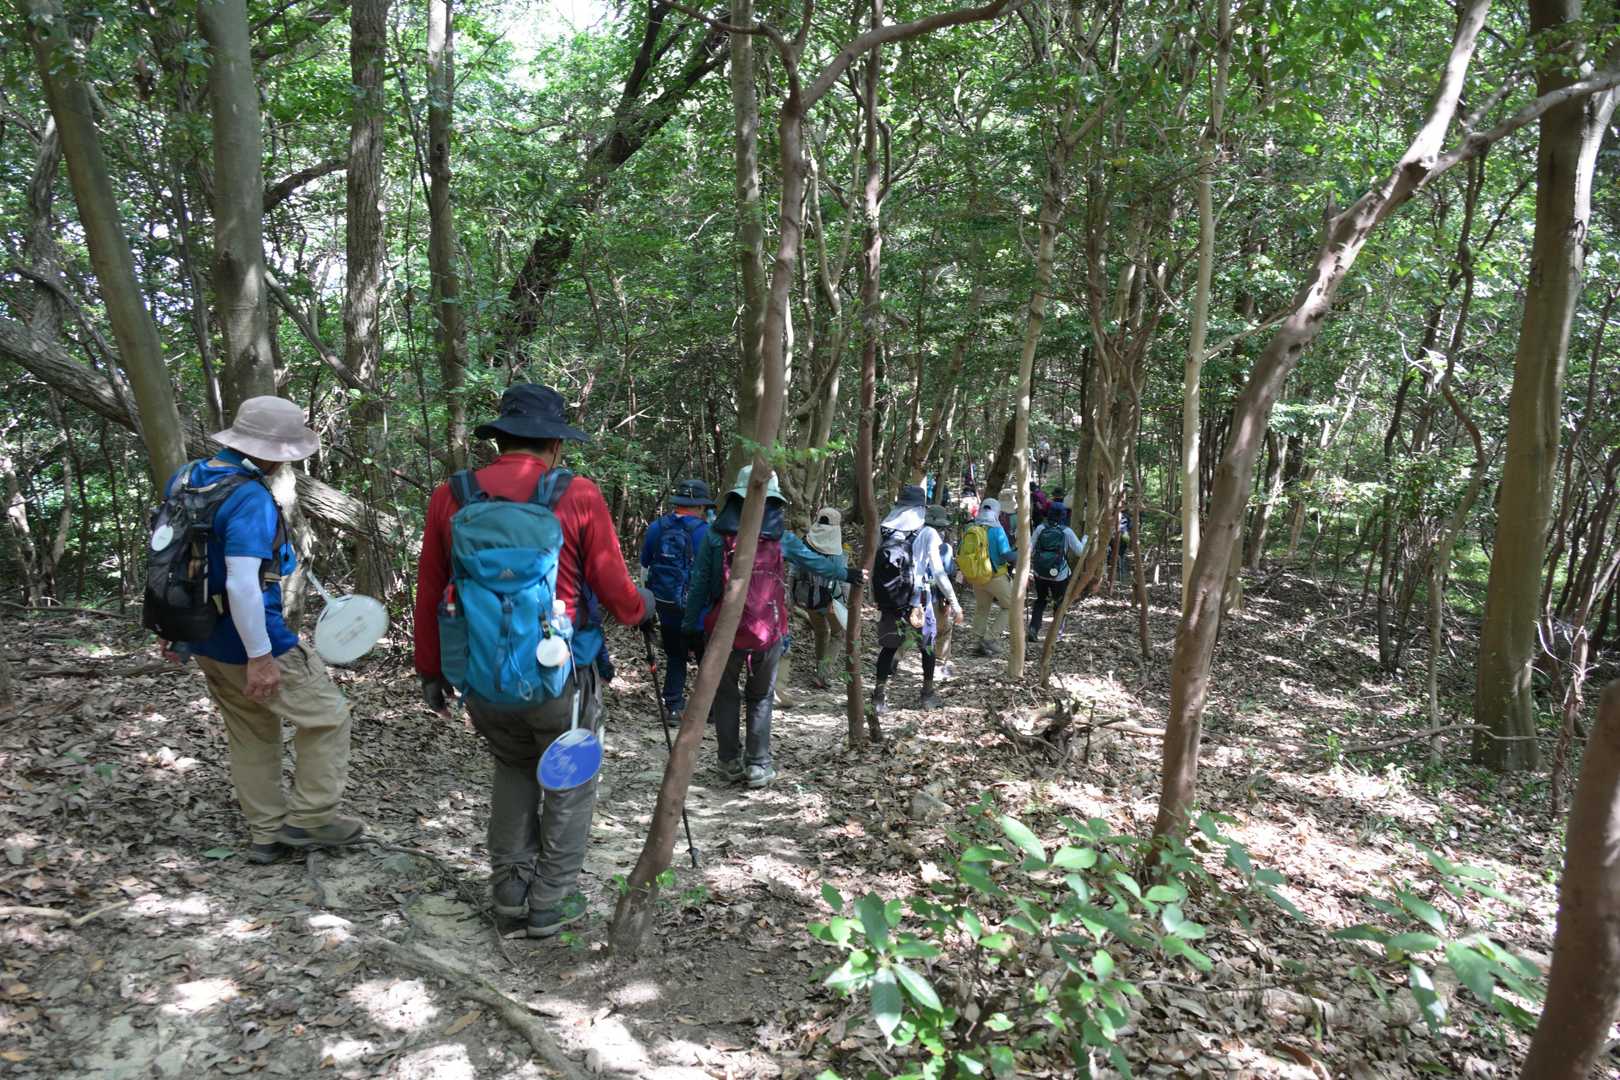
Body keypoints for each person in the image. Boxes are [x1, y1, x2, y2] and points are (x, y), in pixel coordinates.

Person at [413, 384, 653, 938]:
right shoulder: (578, 494)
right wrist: (644, 609)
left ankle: (509, 892)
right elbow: (618, 594)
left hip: (481, 676)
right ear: (556, 444)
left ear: (500, 439)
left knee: (513, 767)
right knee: (569, 779)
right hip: (560, 675)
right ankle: (550, 901)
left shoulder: (452, 496)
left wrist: (430, 670)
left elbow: (430, 592)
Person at [153, 396, 363, 864]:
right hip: (252, 638)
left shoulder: (186, 477)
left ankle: (266, 835)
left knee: (252, 731)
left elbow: (170, 557)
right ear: (273, 451)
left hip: (203, 634)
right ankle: (312, 819)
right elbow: (242, 583)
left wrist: (172, 626)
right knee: (328, 717)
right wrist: (261, 657)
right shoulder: (247, 497)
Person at [683, 466, 855, 788]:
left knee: (725, 695)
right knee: (761, 696)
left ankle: (728, 761)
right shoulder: (781, 539)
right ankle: (758, 764)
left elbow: (700, 585)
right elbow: (815, 562)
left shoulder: (715, 536)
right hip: (768, 630)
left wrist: (690, 626)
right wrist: (847, 574)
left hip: (723, 631)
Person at [872, 485, 963, 714]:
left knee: (888, 648)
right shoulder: (928, 532)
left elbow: (875, 566)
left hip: (892, 599)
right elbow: (939, 573)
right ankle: (927, 694)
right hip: (919, 601)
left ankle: (878, 697)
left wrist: (878, 598)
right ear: (922, 508)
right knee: (927, 648)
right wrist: (954, 603)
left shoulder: (885, 529)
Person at [640, 479, 715, 727]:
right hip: (700, 610)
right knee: (706, 659)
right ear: (701, 506)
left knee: (675, 657)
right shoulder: (707, 533)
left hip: (667, 606)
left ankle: (673, 707)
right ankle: (710, 709)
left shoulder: (656, 528)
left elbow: (645, 568)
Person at [793, 507, 847, 690]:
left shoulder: (805, 542)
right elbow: (842, 577)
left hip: (807, 597)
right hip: (830, 599)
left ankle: (820, 670)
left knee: (821, 632)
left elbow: (794, 571)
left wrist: (791, 596)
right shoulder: (836, 549)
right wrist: (845, 602)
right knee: (838, 634)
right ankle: (823, 674)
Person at [960, 497, 1015, 656]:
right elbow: (1005, 554)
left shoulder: (972, 527)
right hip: (995, 576)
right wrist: (1020, 553)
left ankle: (977, 643)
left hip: (976, 576)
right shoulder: (997, 530)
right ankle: (990, 638)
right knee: (1010, 607)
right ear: (997, 512)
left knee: (982, 609)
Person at [1028, 502, 1087, 638]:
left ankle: (1033, 629)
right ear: (1064, 515)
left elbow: (1030, 549)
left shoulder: (1040, 528)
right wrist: (1085, 539)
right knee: (1060, 602)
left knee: (1040, 600)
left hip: (1040, 572)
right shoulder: (1067, 531)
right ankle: (1056, 633)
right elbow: (1080, 552)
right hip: (1059, 575)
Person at [925, 505, 958, 682]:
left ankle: (895, 658)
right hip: (935, 594)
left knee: (911, 631)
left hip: (915, 593)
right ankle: (940, 662)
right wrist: (947, 601)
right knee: (944, 629)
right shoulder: (944, 548)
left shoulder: (915, 539)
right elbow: (947, 573)